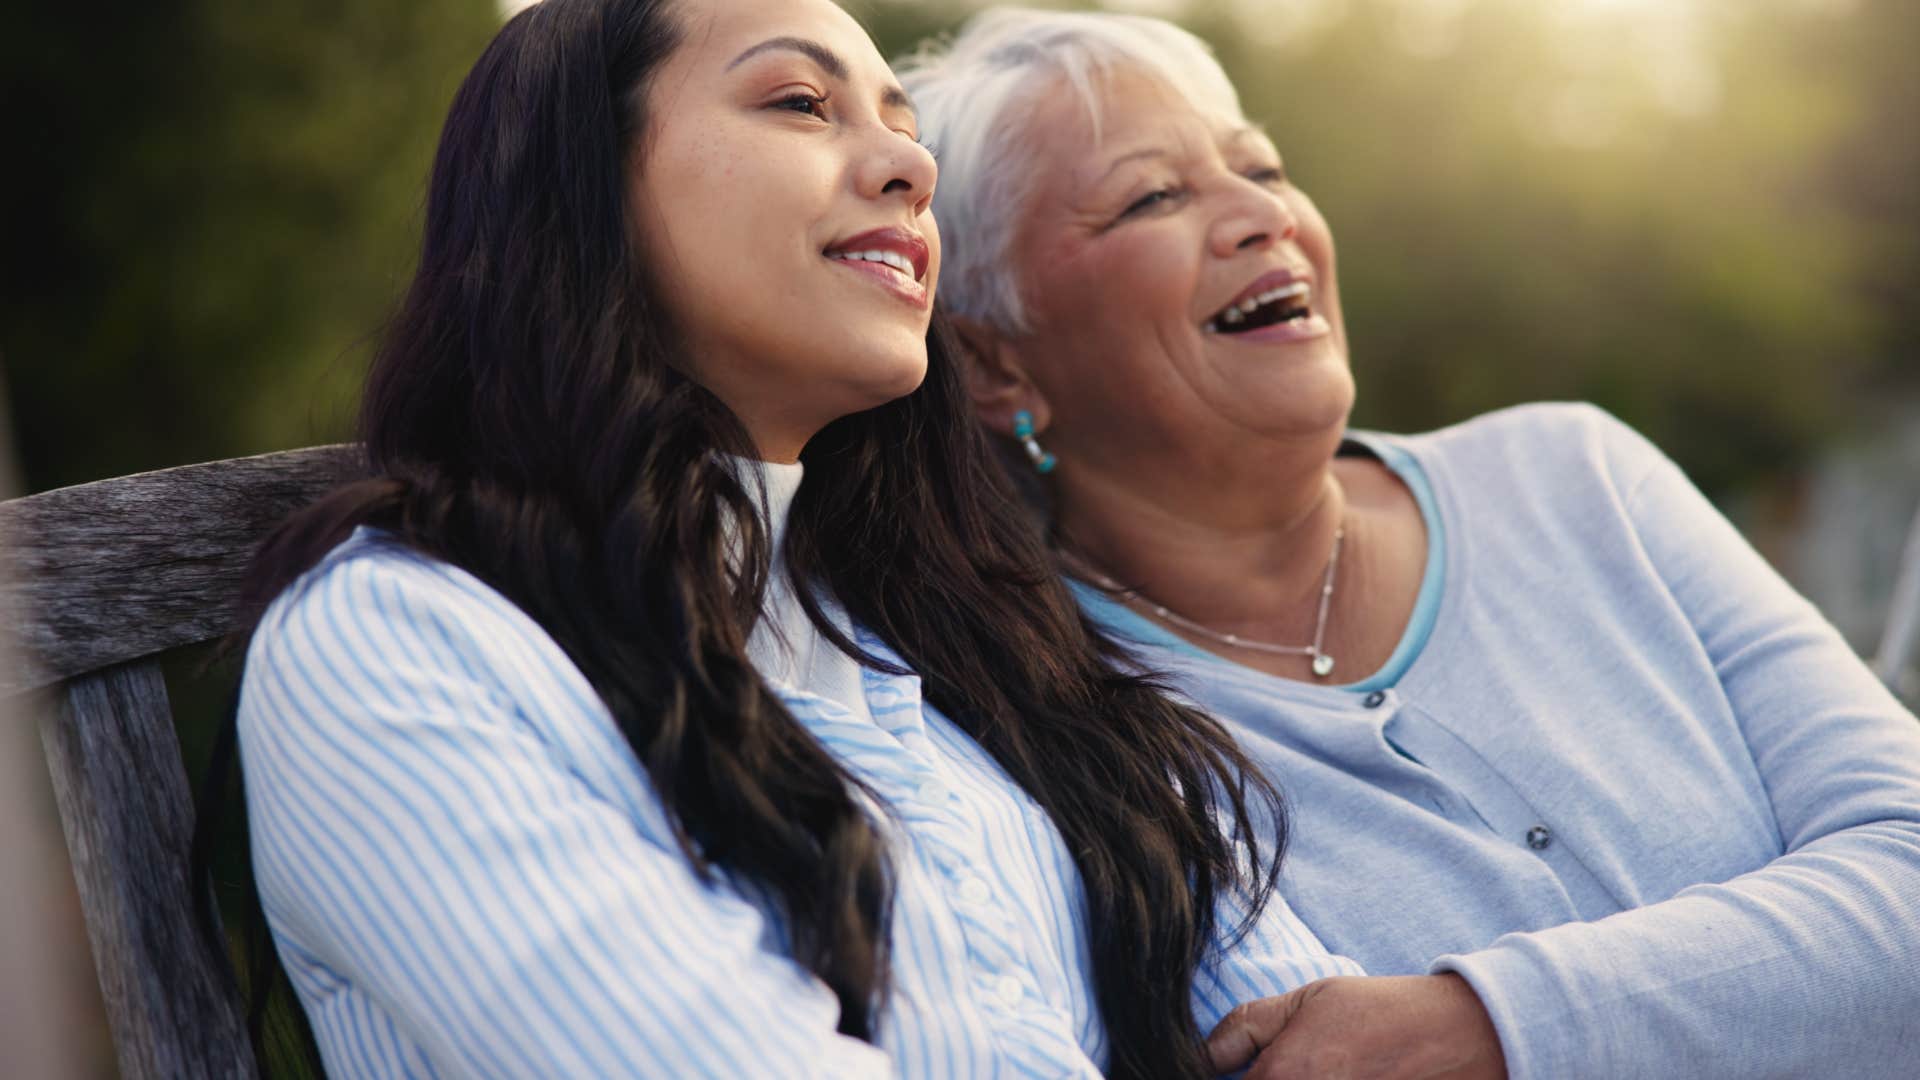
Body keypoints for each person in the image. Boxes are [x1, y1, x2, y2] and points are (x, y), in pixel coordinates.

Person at [189, 0, 1371, 1076]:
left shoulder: (978, 645)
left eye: (905, 128)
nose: (911, 166)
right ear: (580, 186)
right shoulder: (399, 644)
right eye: (801, 104)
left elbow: (1327, 1041)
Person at [899, 8, 1920, 1079]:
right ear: (990, 366)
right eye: (1153, 195)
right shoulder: (1026, 730)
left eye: (1265, 167)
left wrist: (1480, 1026)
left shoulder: (1575, 476)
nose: (1262, 214)